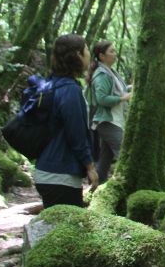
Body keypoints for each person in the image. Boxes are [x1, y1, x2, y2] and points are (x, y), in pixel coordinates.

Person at [34, 34, 99, 208]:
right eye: (86, 50)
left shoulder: (52, 84)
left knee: (56, 231)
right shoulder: (70, 90)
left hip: (48, 171)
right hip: (61, 176)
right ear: (77, 55)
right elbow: (76, 134)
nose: (89, 55)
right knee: (67, 233)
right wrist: (90, 167)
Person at [87, 40, 132, 184]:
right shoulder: (102, 74)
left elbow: (120, 90)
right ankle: (131, 186)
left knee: (105, 159)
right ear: (101, 56)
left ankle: (95, 187)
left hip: (114, 119)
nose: (115, 54)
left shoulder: (111, 72)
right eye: (111, 51)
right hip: (107, 121)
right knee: (126, 156)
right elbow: (102, 99)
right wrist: (123, 98)